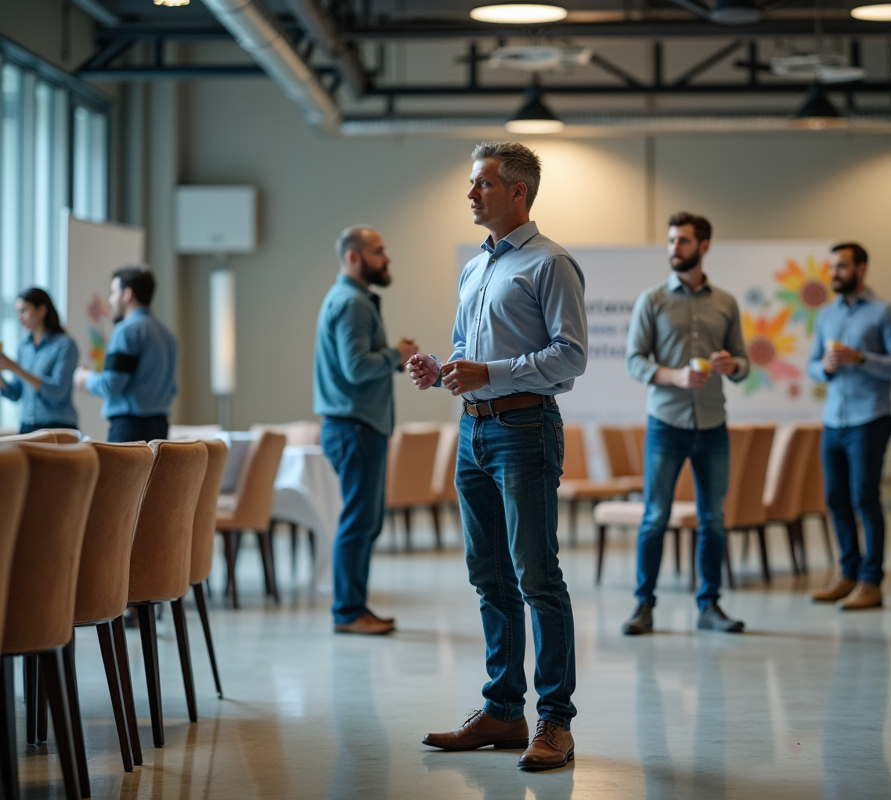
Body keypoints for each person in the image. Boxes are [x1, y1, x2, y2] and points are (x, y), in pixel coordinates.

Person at [408, 141, 586, 772]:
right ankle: (504, 711)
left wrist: (491, 371)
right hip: (474, 433)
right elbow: (467, 352)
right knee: (489, 576)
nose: (470, 194)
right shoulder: (475, 267)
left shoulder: (550, 263)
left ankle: (555, 722)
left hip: (526, 429)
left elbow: (570, 357)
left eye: (482, 183)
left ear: (519, 192)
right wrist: (441, 368)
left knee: (537, 575)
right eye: (471, 183)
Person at [620, 211, 750, 636]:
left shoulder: (726, 303)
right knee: (654, 516)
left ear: (704, 247)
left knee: (712, 518)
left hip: (713, 425)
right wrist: (674, 375)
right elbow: (634, 360)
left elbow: (744, 363)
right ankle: (644, 607)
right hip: (666, 424)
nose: (675, 247)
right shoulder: (652, 300)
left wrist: (733, 364)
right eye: (672, 240)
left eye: (684, 241)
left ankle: (710, 605)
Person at [314, 225, 418, 636]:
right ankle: (347, 612)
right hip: (355, 428)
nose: (386, 257)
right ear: (354, 257)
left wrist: (394, 358)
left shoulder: (350, 300)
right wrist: (398, 354)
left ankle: (354, 607)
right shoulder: (353, 303)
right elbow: (356, 368)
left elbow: (355, 362)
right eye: (378, 251)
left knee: (365, 521)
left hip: (356, 426)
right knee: (360, 522)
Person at [808, 243, 891, 610]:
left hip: (870, 417)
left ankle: (872, 582)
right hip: (833, 418)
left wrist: (860, 358)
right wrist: (825, 368)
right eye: (832, 267)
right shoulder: (826, 315)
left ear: (862, 268)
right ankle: (847, 574)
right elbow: (811, 365)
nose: (834, 273)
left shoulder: (884, 312)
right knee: (835, 499)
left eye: (841, 266)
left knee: (864, 498)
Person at [74, 266, 178, 443]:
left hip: (130, 430)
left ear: (127, 294)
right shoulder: (168, 335)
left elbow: (112, 384)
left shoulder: (126, 331)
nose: (111, 300)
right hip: (160, 427)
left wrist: (85, 377)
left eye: (114, 292)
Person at [0, 287, 80, 433]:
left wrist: (16, 368)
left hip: (57, 427)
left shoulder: (65, 345)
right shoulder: (23, 346)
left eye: (24, 310)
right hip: (27, 426)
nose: (19, 317)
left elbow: (58, 391)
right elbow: (16, 393)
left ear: (41, 311)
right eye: (17, 311)